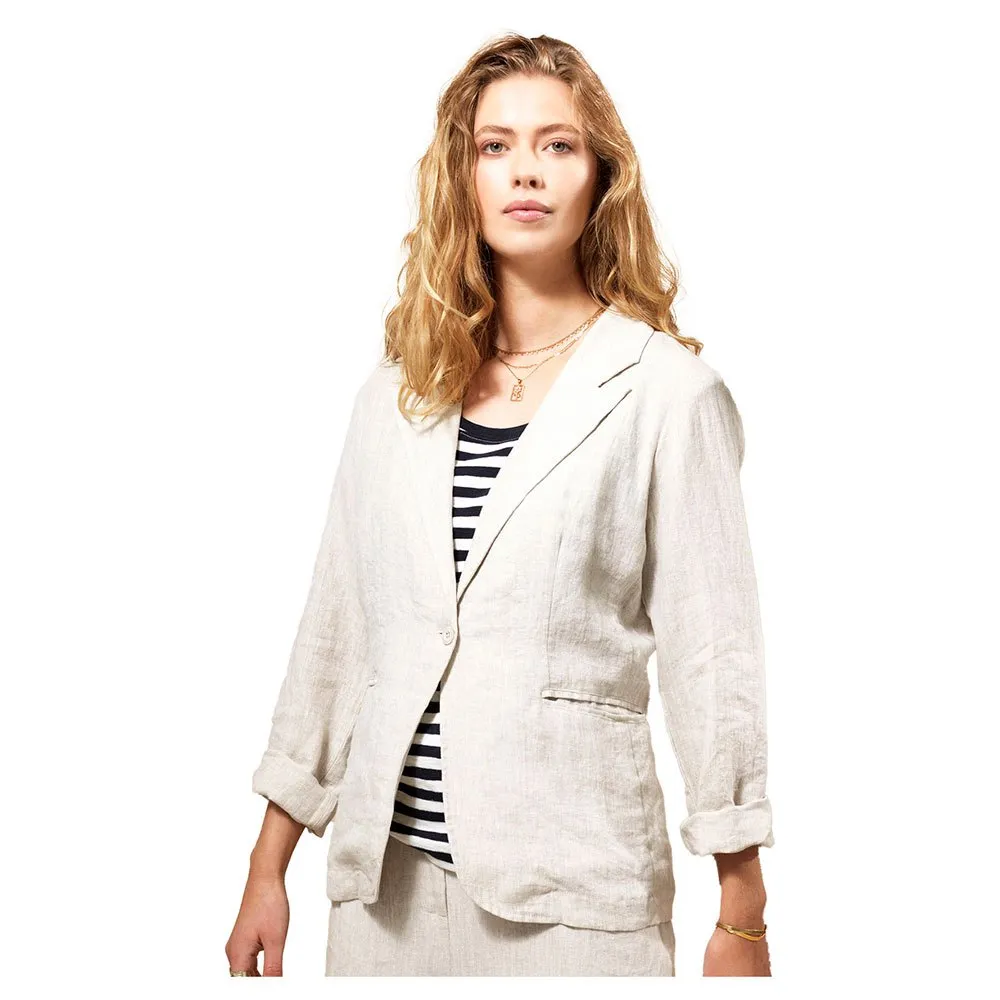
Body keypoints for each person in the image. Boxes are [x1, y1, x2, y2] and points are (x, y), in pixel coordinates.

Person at [226, 32, 774, 978]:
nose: (526, 171)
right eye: (496, 146)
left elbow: (712, 656)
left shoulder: (667, 394)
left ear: (601, 177)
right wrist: (266, 866)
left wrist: (743, 910)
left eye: (558, 144)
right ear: (464, 177)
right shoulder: (398, 394)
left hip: (574, 899)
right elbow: (337, 633)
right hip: (383, 902)